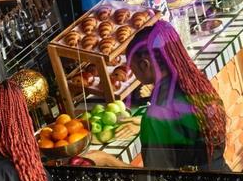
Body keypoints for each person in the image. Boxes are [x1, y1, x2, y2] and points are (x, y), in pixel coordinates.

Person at [87, 20, 228, 171]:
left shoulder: (156, 116)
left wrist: (107, 160)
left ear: (144, 64)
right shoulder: (198, 85)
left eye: (131, 66)